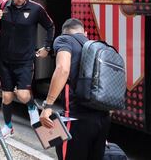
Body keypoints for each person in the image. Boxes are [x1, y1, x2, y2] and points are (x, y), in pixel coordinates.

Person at [0, 0, 55, 137]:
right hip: (5, 60)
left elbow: (50, 26)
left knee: (23, 95)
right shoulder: (4, 6)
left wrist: (47, 47)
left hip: (25, 60)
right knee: (7, 97)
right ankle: (8, 126)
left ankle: (32, 108)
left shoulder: (36, 9)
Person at [39, 18, 110, 160]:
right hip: (102, 120)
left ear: (64, 32)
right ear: (85, 32)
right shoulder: (100, 47)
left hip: (76, 118)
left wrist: (48, 105)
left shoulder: (64, 40)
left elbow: (62, 69)